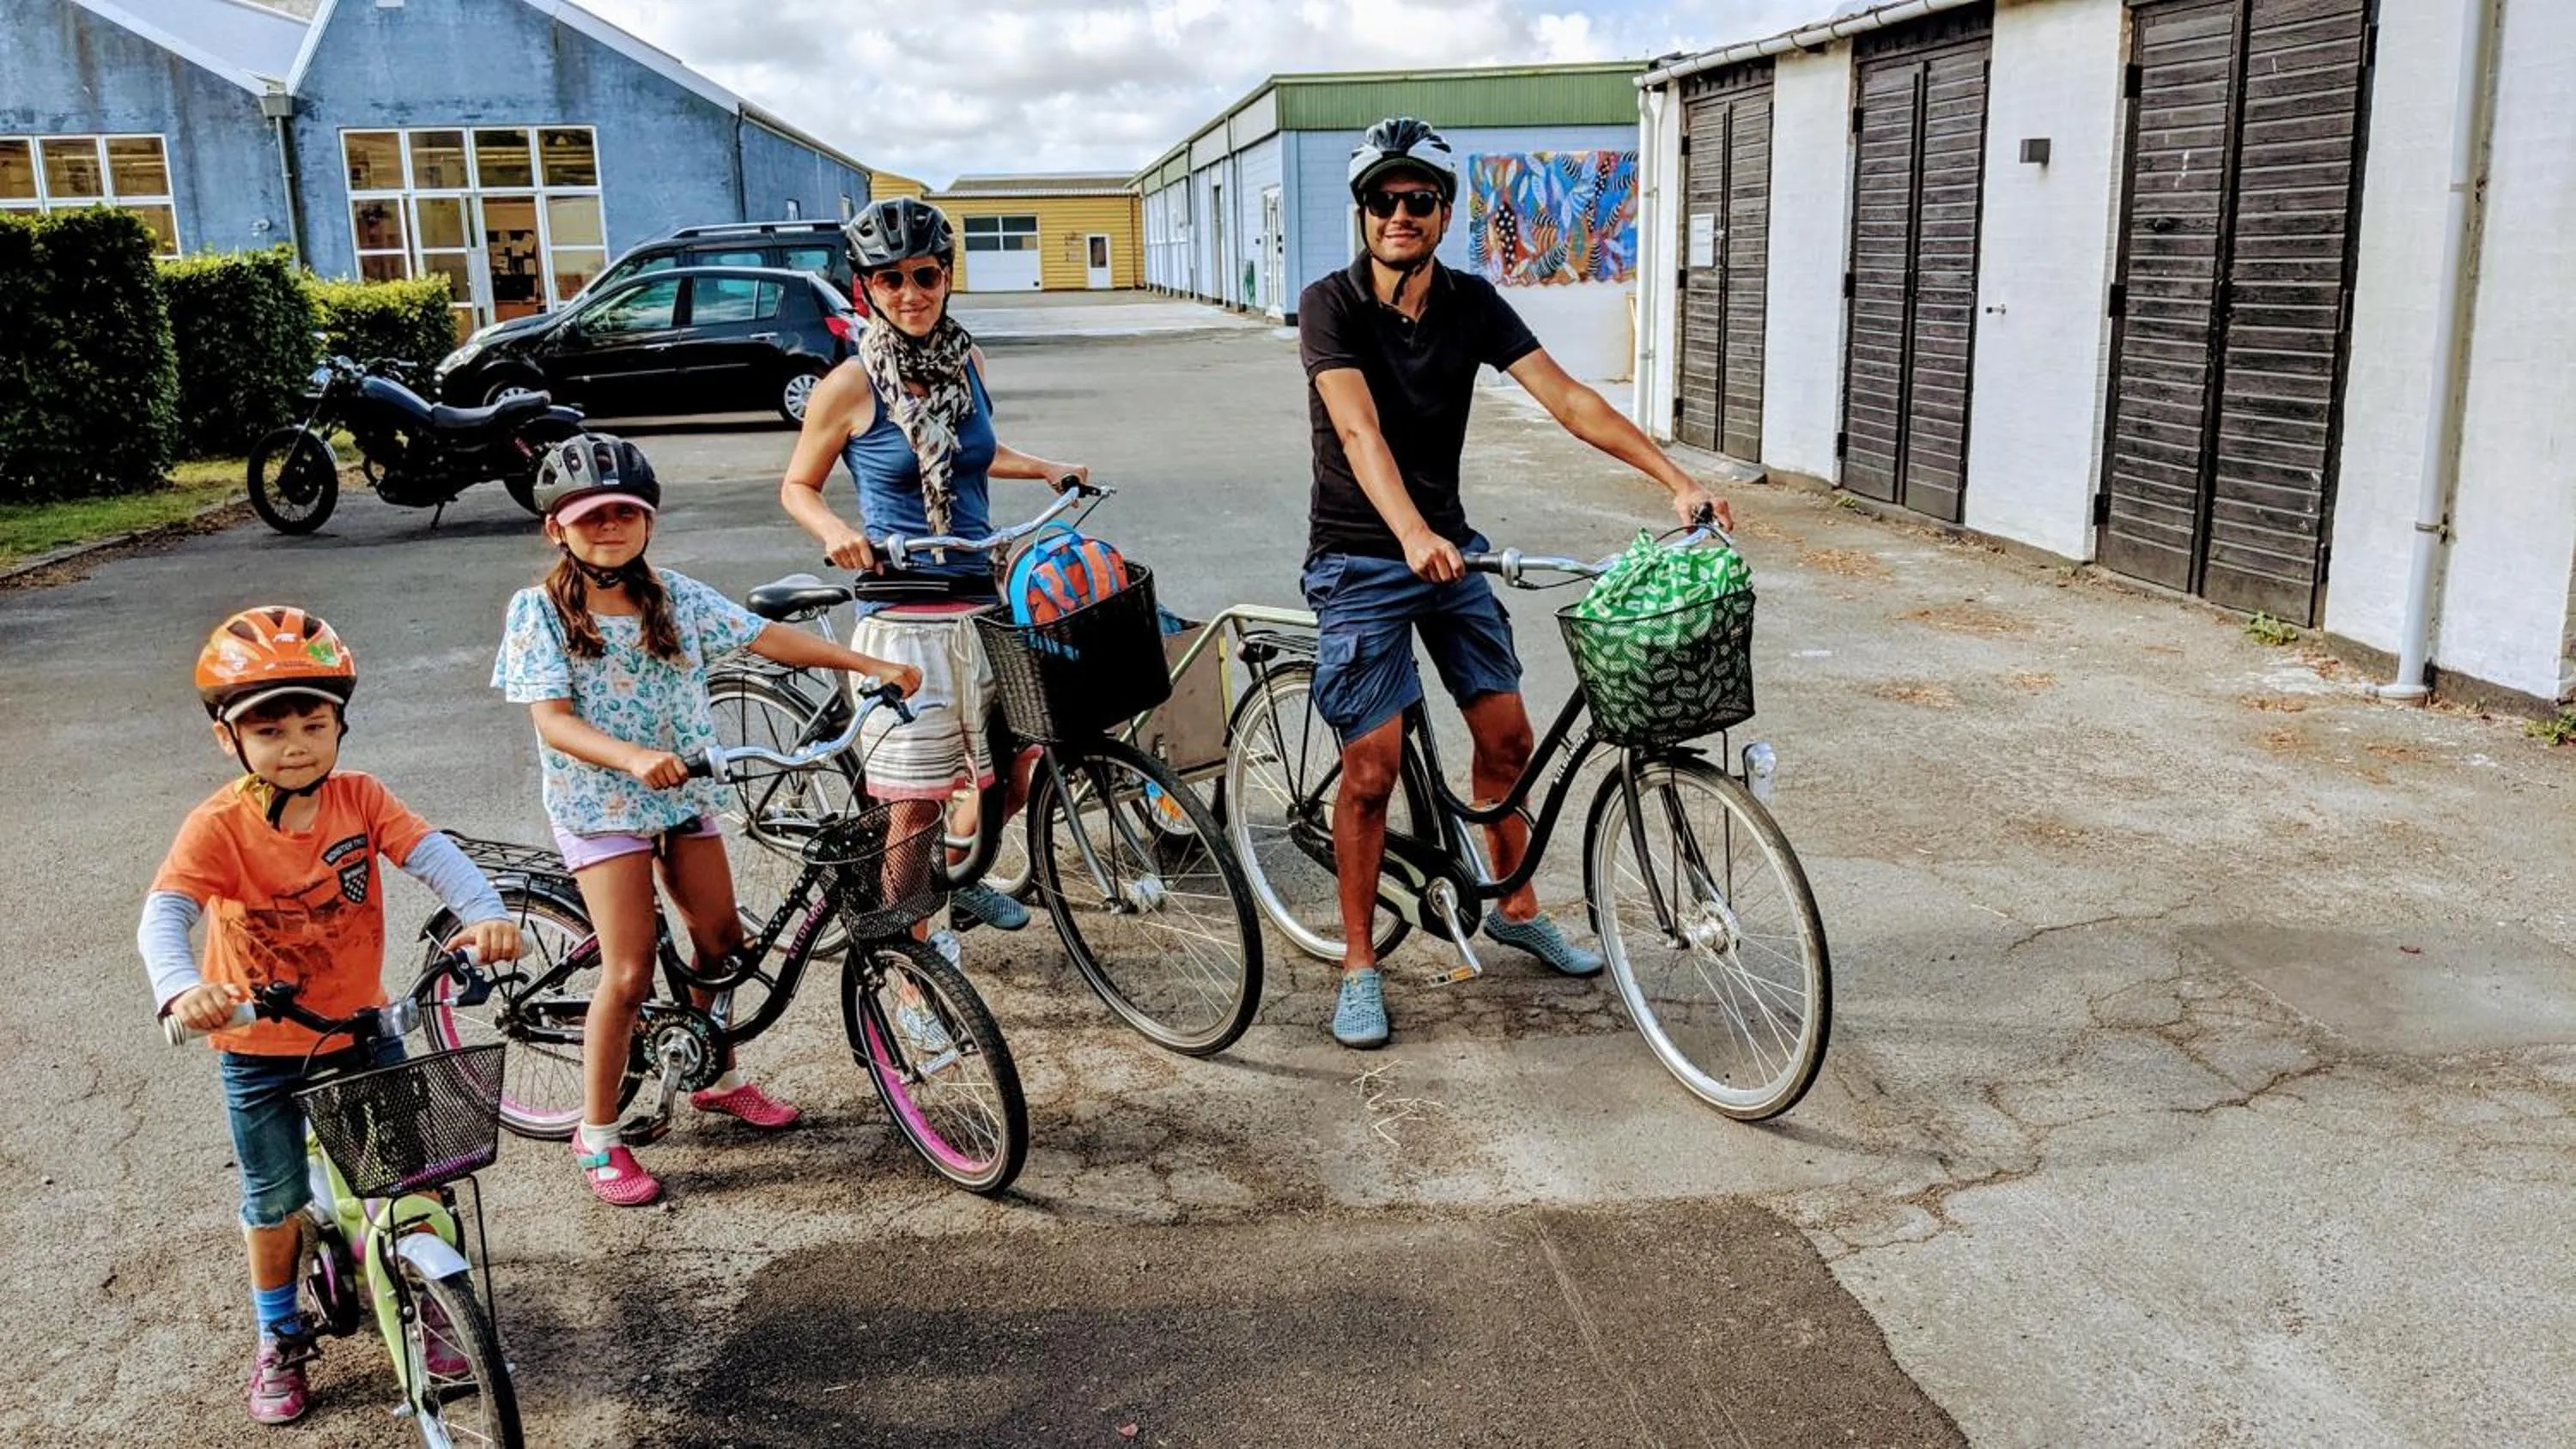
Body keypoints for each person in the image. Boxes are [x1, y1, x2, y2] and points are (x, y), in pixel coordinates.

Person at [1300, 117, 1735, 1050]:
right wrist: (1409, 532)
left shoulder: (1472, 302)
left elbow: (1568, 398)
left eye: (1420, 199)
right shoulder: (1330, 303)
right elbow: (1358, 432)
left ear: (1444, 212)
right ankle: (1360, 964)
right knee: (1371, 771)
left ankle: (1517, 909)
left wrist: (1676, 479)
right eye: (1384, 199)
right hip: (1362, 556)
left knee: (1508, 737)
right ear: (1364, 211)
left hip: (1451, 551)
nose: (1401, 214)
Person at [491, 433, 920, 1207]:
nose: (610, 527)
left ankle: (714, 1078)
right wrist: (630, 757)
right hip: (601, 807)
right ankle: (597, 1133)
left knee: (724, 945)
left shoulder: (676, 598)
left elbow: (765, 638)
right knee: (629, 972)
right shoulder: (539, 612)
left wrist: (869, 665)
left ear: (648, 522)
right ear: (556, 528)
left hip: (684, 796)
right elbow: (552, 720)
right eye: (590, 517)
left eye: (624, 514)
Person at [140, 606, 526, 1426]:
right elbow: (166, 911)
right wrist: (181, 987)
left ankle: (431, 1301)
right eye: (269, 730)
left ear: (340, 725)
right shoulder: (219, 826)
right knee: (275, 1199)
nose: (296, 746)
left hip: (360, 1030)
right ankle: (279, 1333)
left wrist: (484, 912)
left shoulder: (361, 798)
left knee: (411, 1174)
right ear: (228, 739)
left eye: (314, 725)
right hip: (259, 1046)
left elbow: (431, 853)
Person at [779, 197, 1094, 953]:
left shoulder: (966, 362)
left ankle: (955, 871)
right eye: (889, 280)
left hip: (981, 603)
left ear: (948, 276)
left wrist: (1044, 467)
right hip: (904, 616)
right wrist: (837, 532)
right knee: (915, 808)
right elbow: (797, 486)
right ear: (867, 289)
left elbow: (972, 452)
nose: (910, 293)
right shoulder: (850, 385)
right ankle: (909, 961)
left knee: (1014, 774)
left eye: (924, 275)